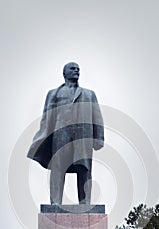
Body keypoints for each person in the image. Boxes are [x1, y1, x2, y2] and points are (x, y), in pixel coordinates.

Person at [27, 62, 104, 205]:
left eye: (78, 69)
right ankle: (55, 203)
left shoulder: (89, 94)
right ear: (65, 73)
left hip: (83, 136)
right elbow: (46, 117)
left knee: (84, 169)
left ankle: (85, 203)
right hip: (60, 134)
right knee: (58, 167)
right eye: (73, 69)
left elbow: (97, 115)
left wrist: (99, 137)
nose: (76, 71)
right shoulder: (53, 94)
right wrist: (44, 136)